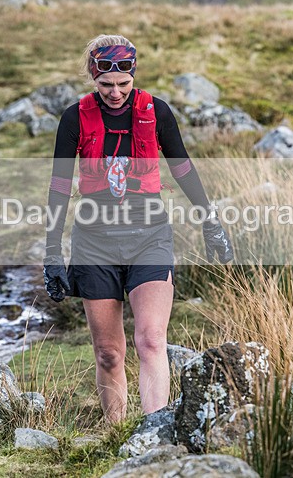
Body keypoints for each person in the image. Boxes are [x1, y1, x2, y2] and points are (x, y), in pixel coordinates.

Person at [43, 34, 233, 423]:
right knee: (109, 353)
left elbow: (182, 169)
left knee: (150, 340)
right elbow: (59, 187)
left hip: (150, 239)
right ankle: (117, 437)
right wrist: (51, 253)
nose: (115, 93)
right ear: (93, 78)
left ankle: (154, 436)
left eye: (123, 84)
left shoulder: (157, 112)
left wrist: (210, 222)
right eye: (106, 85)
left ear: (134, 75)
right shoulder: (73, 118)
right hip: (94, 244)